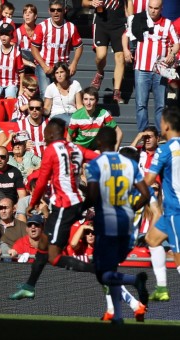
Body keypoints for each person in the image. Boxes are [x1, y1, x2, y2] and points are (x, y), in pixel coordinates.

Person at [10, 118, 98, 300]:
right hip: (71, 203)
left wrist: (33, 203)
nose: (43, 136)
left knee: (54, 257)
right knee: (42, 244)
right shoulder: (76, 148)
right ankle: (29, 285)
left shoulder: (51, 150)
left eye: (45, 133)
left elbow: (41, 181)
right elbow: (97, 157)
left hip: (65, 206)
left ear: (50, 133)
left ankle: (99, 271)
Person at [85, 126, 150, 325]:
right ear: (115, 142)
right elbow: (146, 195)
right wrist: (131, 206)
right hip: (127, 226)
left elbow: (93, 195)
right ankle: (118, 316)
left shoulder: (96, 164)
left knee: (102, 272)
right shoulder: (131, 165)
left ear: (98, 142)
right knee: (110, 269)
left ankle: (133, 282)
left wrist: (81, 206)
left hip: (107, 224)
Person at [124, 0, 179, 131]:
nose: (153, 10)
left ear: (161, 9)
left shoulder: (167, 23)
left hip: (160, 70)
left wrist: (172, 53)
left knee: (160, 104)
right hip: (141, 68)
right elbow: (125, 35)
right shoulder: (139, 19)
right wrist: (126, 50)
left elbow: (177, 43)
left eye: (156, 8)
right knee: (141, 104)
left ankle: (160, 135)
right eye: (150, 7)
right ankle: (143, 134)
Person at [143, 107, 180, 302]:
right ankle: (162, 288)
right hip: (170, 213)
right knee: (152, 239)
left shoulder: (164, 150)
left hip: (176, 210)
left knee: (178, 256)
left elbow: (148, 180)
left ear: (165, 126)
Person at [31, 0, 83, 94]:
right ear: (49, 11)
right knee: (46, 93)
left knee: (64, 94)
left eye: (59, 10)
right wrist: (44, 66)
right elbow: (34, 48)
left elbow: (79, 46)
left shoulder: (70, 27)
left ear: (64, 10)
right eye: (53, 10)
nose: (55, 12)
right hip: (45, 65)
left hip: (62, 67)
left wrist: (74, 63)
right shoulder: (42, 27)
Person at [82, 0, 127, 103]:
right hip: (101, 23)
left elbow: (129, 6)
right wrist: (91, 3)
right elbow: (84, 2)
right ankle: (100, 73)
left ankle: (116, 92)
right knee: (101, 55)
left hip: (119, 24)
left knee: (120, 57)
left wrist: (130, 22)